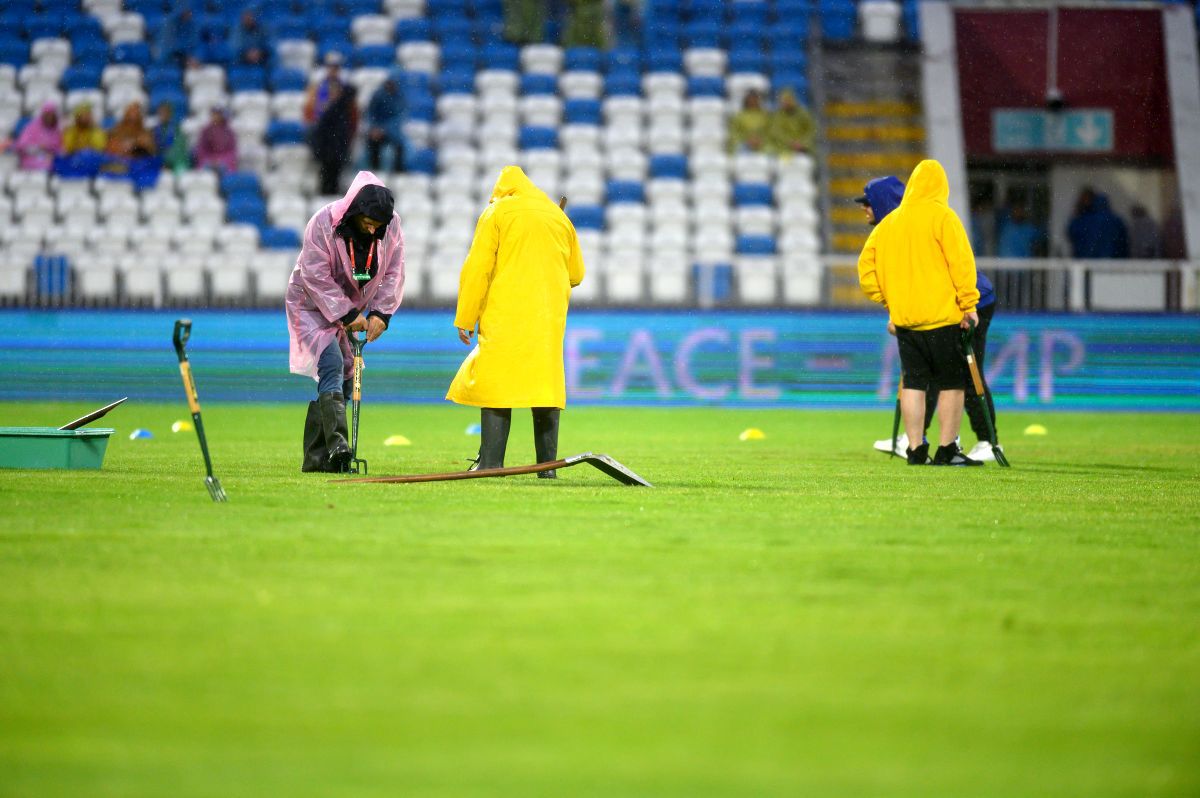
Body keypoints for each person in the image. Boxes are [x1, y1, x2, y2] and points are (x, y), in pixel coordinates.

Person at [446, 165, 586, 476]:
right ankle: (547, 467)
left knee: (497, 384)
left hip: (505, 314)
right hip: (547, 317)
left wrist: (466, 317)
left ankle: (490, 463)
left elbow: (477, 269)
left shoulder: (497, 212)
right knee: (545, 387)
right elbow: (577, 274)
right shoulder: (558, 216)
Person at [859, 176, 1003, 462]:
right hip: (937, 309)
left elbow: (950, 269)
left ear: (883, 202)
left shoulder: (898, 224)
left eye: (868, 203)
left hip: (968, 302)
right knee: (942, 376)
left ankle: (984, 440)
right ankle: (932, 443)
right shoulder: (922, 219)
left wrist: (966, 305)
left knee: (961, 373)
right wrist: (896, 308)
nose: (864, 209)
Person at [286, 171, 406, 473]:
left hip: (352, 310)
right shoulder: (322, 223)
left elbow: (394, 270)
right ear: (355, 211)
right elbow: (315, 275)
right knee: (332, 363)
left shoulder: (390, 225)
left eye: (378, 225)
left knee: (349, 376)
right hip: (311, 305)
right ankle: (339, 447)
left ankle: (317, 458)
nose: (373, 229)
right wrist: (347, 314)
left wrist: (381, 314)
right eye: (368, 222)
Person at [310, 83, 359, 196]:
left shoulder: (341, 109)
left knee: (331, 178)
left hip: (333, 151)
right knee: (329, 178)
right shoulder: (338, 110)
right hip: (331, 152)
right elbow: (323, 131)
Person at [1067, 187, 1129, 259]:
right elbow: (1123, 244)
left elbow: (1072, 233)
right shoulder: (1116, 220)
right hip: (1111, 262)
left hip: (1087, 261)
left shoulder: (1083, 220)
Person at [364, 77, 405, 173]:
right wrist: (374, 128)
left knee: (399, 146)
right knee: (372, 143)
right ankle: (375, 169)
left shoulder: (399, 98)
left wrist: (384, 129)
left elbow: (399, 117)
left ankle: (397, 171)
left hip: (391, 131)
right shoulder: (378, 96)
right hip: (377, 129)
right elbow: (371, 113)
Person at [12, 101, 61, 171]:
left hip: (50, 158)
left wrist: (49, 149)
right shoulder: (32, 127)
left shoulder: (57, 129)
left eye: (51, 115)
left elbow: (59, 148)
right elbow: (21, 145)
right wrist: (37, 147)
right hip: (31, 158)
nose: (49, 117)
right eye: (47, 115)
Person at [767, 88, 816, 155]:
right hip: (784, 150)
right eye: (783, 101)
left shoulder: (803, 113)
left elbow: (811, 130)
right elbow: (776, 132)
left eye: (788, 100)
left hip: (804, 150)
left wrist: (803, 143)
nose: (786, 103)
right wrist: (790, 142)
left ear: (793, 100)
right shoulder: (778, 116)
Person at [303, 52, 345, 126]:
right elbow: (309, 107)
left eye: (335, 67)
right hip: (320, 124)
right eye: (330, 66)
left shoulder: (344, 88)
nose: (333, 70)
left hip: (338, 125)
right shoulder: (317, 86)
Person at [193, 106, 238, 172]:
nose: (215, 117)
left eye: (218, 114)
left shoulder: (229, 132)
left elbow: (232, 151)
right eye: (214, 114)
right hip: (208, 159)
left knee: (224, 168)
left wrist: (221, 160)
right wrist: (210, 160)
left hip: (225, 160)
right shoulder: (206, 130)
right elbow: (201, 149)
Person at [150, 101, 190, 173]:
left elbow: (179, 149)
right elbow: (151, 149)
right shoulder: (154, 130)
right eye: (161, 113)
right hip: (158, 162)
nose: (163, 115)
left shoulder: (177, 129)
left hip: (174, 162)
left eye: (166, 112)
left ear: (170, 114)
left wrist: (167, 161)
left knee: (181, 171)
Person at [728, 89, 770, 154]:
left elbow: (769, 132)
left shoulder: (766, 116)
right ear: (746, 100)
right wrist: (747, 140)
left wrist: (760, 139)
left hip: (763, 144)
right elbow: (734, 133)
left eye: (755, 99)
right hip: (744, 145)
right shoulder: (739, 116)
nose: (752, 101)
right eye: (750, 99)